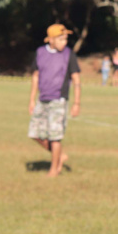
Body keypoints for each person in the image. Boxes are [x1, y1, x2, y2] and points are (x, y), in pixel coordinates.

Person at [28, 24, 82, 177]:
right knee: (34, 133)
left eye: (65, 39)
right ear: (50, 40)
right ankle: (59, 155)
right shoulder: (40, 53)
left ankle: (54, 170)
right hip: (42, 99)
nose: (64, 42)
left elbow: (76, 79)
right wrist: (32, 99)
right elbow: (35, 76)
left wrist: (76, 103)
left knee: (55, 136)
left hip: (59, 100)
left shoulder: (69, 55)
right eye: (60, 39)